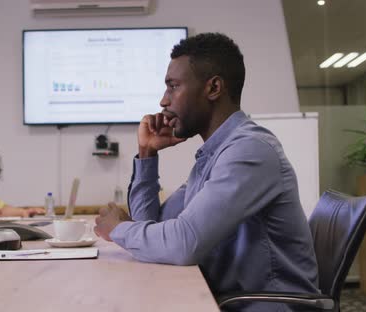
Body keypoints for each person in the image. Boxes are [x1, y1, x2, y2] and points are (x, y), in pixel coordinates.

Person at [93, 33, 319, 311]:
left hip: (267, 305)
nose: (163, 100)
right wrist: (147, 152)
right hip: (231, 299)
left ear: (213, 88)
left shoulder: (250, 150)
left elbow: (184, 243)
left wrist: (118, 229)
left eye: (173, 86)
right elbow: (155, 225)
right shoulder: (214, 155)